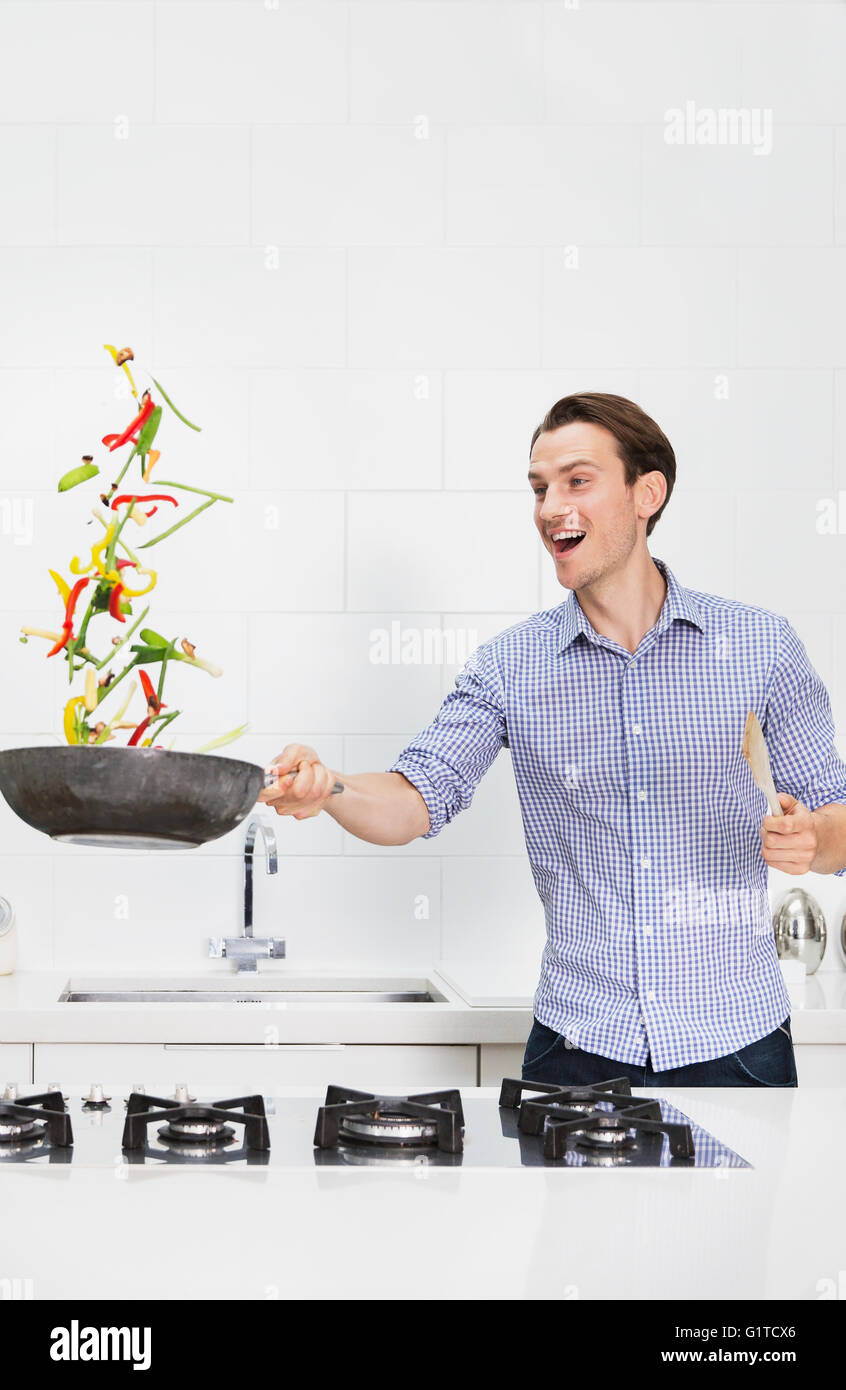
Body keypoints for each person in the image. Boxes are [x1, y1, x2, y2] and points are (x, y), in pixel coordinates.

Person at [258, 392, 846, 1088]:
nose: (548, 507)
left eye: (577, 480)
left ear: (646, 493)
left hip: (738, 1046)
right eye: (539, 488)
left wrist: (812, 839)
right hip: (577, 1049)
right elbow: (418, 797)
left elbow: (837, 817)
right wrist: (333, 790)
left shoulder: (758, 645)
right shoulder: (510, 666)